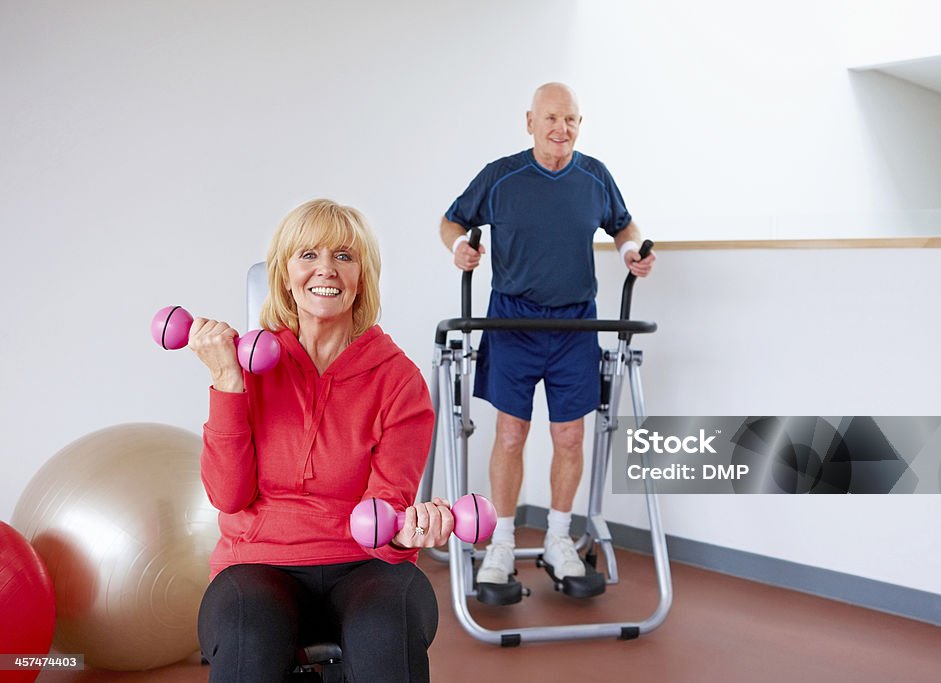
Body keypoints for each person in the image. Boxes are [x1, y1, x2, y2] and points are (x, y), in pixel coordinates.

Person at [192, 199, 450, 682]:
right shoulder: (248, 367)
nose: (325, 269)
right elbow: (228, 496)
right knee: (250, 634)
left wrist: (403, 532)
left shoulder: (399, 379)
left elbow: (385, 506)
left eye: (344, 256)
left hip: (363, 565)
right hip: (259, 562)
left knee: (386, 626)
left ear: (362, 276)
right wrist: (227, 381)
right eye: (307, 255)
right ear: (285, 275)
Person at [438, 83, 655, 589]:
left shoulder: (594, 176)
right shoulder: (502, 176)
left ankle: (560, 539)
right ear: (530, 120)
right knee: (511, 433)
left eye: (573, 120)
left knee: (571, 435)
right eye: (553, 118)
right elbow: (452, 222)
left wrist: (631, 252)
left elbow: (624, 227)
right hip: (513, 321)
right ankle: (502, 542)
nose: (563, 129)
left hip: (575, 323)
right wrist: (459, 250)